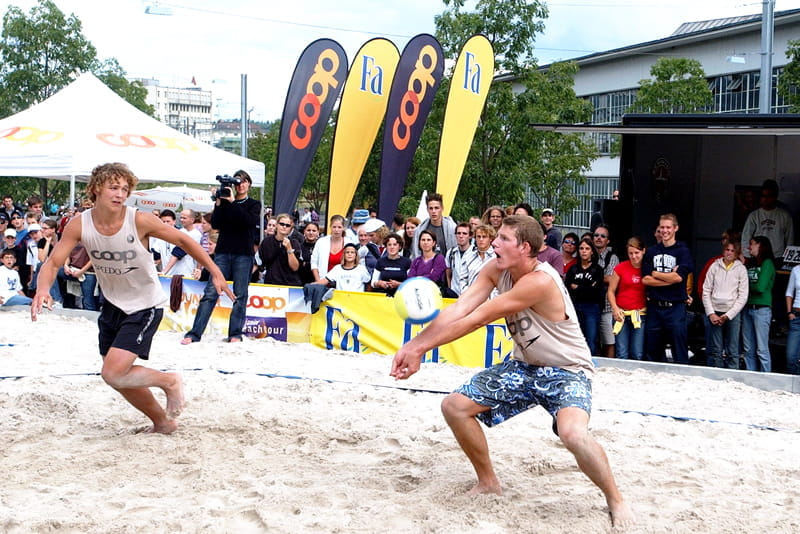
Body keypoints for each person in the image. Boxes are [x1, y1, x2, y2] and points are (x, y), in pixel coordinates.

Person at [390, 215, 634, 528]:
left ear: (526, 248)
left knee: (573, 434)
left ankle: (616, 498)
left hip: (567, 370)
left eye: (504, 239)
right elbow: (458, 309)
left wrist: (419, 350)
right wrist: (413, 346)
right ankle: (488, 482)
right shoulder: (495, 268)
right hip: (523, 365)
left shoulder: (540, 281)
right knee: (454, 406)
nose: (494, 243)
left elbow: (477, 319)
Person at [32, 162, 233, 434]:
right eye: (113, 187)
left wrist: (216, 272)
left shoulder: (138, 219)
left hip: (145, 305)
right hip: (112, 305)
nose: (120, 194)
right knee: (118, 377)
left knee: (112, 372)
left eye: (125, 189)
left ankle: (169, 381)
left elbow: (185, 242)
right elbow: (54, 262)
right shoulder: (80, 224)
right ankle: (162, 422)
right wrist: (42, 289)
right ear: (96, 189)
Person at [182, 169, 261, 345]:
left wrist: (232, 201)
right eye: (237, 182)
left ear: (249, 184)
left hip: (243, 253)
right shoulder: (225, 203)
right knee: (211, 291)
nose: (240, 184)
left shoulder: (254, 204)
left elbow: (247, 221)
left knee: (240, 295)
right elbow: (216, 224)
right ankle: (195, 333)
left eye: (243, 181)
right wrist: (218, 202)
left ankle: (235, 334)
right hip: (223, 252)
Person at [642, 214, 694, 364]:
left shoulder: (682, 250)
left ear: (675, 228)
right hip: (655, 307)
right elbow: (646, 280)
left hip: (676, 307)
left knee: (679, 349)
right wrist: (670, 277)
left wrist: (655, 273)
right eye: (662, 227)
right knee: (653, 349)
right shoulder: (651, 251)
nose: (664, 231)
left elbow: (679, 278)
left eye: (668, 227)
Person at [702, 240, 748, 369]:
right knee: (716, 348)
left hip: (732, 314)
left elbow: (743, 296)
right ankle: (717, 376)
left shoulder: (741, 269)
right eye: (727, 249)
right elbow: (706, 291)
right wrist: (711, 313)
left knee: (733, 349)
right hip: (715, 312)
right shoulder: (714, 266)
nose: (729, 253)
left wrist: (729, 315)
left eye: (733, 251)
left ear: (737, 253)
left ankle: (733, 375)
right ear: (723, 251)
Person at [607, 237, 647, 360]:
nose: (634, 256)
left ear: (643, 251)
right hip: (622, 314)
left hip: (640, 314)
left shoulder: (648, 268)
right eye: (631, 253)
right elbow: (610, 291)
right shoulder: (621, 267)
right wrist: (615, 308)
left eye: (637, 253)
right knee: (622, 353)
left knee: (637, 353)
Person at [565, 237, 605, 356]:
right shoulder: (573, 269)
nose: (584, 251)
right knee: (574, 339)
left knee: (591, 340)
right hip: (575, 307)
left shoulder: (598, 270)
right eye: (581, 248)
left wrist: (577, 287)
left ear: (592, 251)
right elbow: (567, 288)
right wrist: (587, 287)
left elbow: (596, 291)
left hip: (592, 308)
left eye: (587, 248)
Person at [742, 236, 776, 372]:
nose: (749, 247)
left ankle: (766, 377)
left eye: (752, 244)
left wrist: (745, 288)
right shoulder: (751, 263)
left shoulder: (767, 263)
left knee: (761, 348)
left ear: (760, 245)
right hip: (748, 307)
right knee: (748, 348)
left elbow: (761, 288)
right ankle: (751, 376)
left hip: (762, 308)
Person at [741, 179, 793, 260]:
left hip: (777, 257)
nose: (765, 199)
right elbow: (746, 238)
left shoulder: (784, 216)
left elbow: (790, 240)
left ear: (775, 197)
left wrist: (787, 258)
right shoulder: (754, 216)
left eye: (769, 196)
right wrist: (747, 256)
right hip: (758, 257)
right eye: (763, 196)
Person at [593, 224, 619, 358]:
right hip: (590, 304)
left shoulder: (612, 257)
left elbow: (611, 279)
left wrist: (593, 277)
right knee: (592, 340)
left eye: (602, 236)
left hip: (607, 306)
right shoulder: (587, 254)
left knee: (609, 341)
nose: (599, 238)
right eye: (596, 235)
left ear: (607, 241)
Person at [257, 213, 302, 287]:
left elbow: (295, 267)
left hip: (290, 284)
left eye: (288, 225)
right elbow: (258, 262)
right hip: (271, 283)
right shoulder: (266, 242)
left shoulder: (295, 243)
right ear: (277, 225)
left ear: (291, 228)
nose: (284, 227)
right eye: (282, 224)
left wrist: (289, 249)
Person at [411, 193, 456, 259]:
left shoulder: (452, 228)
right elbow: (416, 253)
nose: (433, 211)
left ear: (442, 208)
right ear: (427, 210)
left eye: (436, 208)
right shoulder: (419, 230)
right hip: (425, 267)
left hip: (446, 267)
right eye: (431, 208)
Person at [311, 215, 354, 282]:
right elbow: (314, 263)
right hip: (323, 281)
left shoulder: (349, 243)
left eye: (339, 227)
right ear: (330, 227)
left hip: (343, 283)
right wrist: (319, 281)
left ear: (343, 228)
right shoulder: (321, 242)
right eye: (334, 227)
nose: (336, 230)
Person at [458, 224, 496, 295]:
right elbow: (462, 279)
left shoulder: (496, 257)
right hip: (470, 298)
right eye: (478, 236)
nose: (481, 239)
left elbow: (500, 281)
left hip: (491, 300)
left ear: (490, 238)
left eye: (484, 237)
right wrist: (467, 294)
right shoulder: (468, 256)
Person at [445, 223, 472, 297]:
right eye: (458, 233)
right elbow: (448, 273)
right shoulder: (451, 253)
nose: (461, 236)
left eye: (464, 233)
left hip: (470, 295)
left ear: (470, 236)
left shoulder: (476, 253)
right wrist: (450, 288)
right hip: (454, 294)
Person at [784, 261, 800, 375]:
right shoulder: (796, 270)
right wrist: (789, 312)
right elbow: (789, 292)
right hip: (796, 316)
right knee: (791, 356)